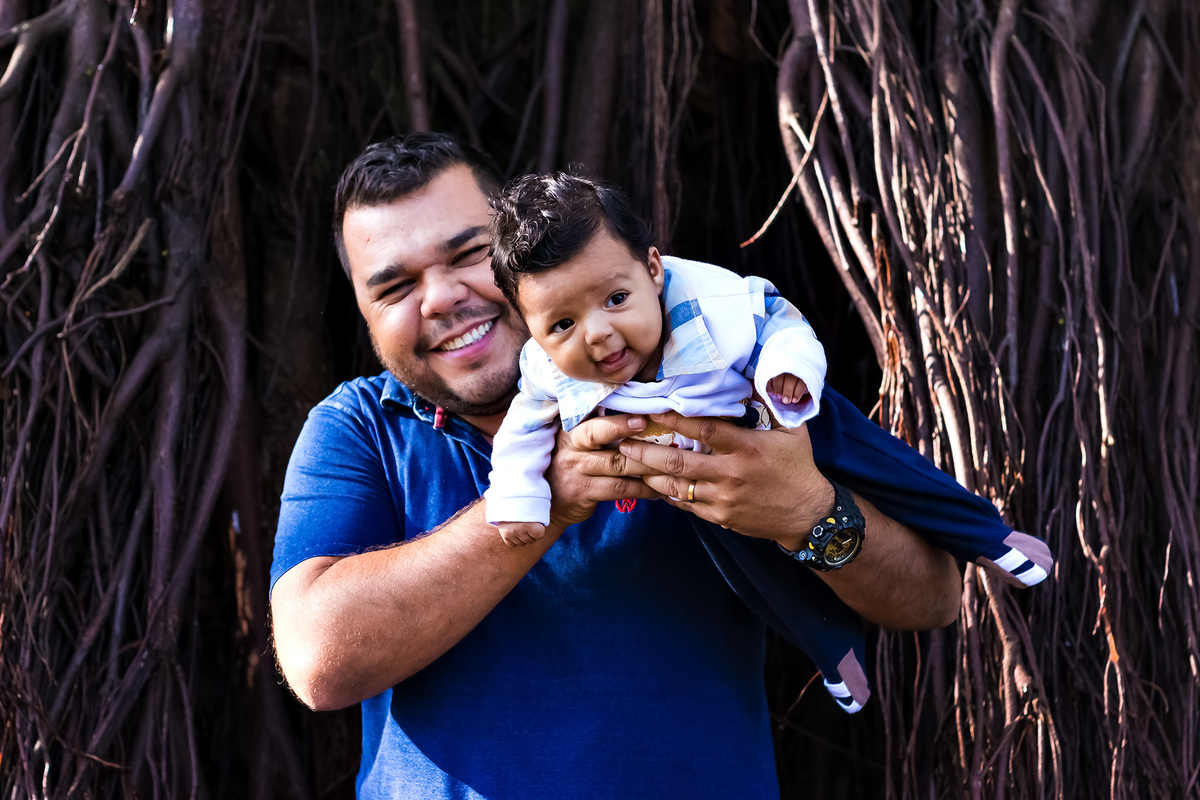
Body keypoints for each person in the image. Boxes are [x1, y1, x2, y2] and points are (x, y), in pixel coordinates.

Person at [269, 132, 964, 800]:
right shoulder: (358, 428)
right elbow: (320, 661)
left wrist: (807, 511)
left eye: (468, 254)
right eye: (394, 288)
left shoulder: (708, 364)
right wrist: (541, 502)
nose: (442, 297)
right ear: (363, 314)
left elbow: (931, 596)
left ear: (519, 251)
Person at [482, 169, 1053, 712]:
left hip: (781, 411)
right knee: (757, 576)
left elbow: (781, 320)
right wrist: (518, 500)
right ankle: (835, 654)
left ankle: (991, 535)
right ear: (529, 329)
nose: (598, 333)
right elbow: (523, 429)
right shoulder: (544, 371)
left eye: (614, 300)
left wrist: (787, 375)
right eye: (562, 325)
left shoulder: (713, 302)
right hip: (699, 481)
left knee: (890, 467)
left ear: (653, 271)